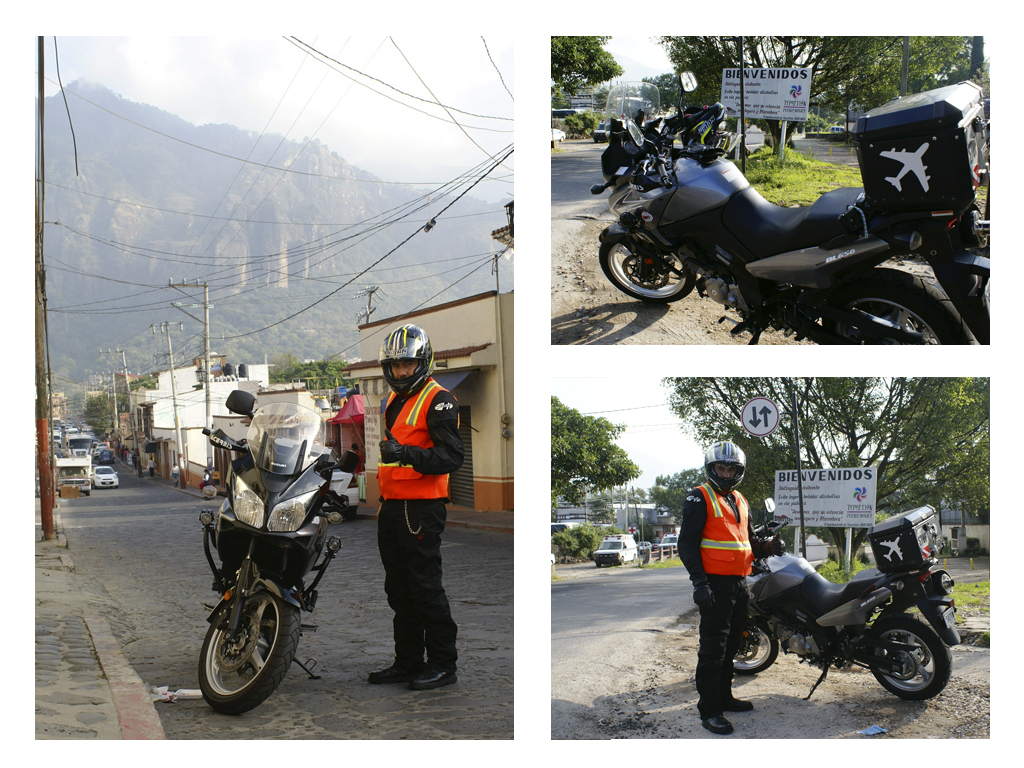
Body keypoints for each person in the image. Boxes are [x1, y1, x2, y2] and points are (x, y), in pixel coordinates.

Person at [370, 324, 464, 691]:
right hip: (393, 508)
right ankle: (408, 661)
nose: (400, 373)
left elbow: (451, 457)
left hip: (421, 510)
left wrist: (406, 454)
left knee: (425, 588)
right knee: (399, 590)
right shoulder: (394, 400)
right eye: (394, 367)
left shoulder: (439, 400)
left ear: (422, 362)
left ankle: (443, 664)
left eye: (407, 365)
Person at [678, 440, 783, 735]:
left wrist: (768, 547)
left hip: (738, 583)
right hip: (713, 584)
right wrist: (699, 583)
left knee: (732, 646)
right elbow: (686, 545)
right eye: (720, 468)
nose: (725, 474)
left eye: (731, 468)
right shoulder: (700, 498)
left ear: (739, 471)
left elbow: (747, 543)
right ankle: (709, 711)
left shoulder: (740, 499)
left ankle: (725, 697)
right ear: (711, 468)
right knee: (713, 649)